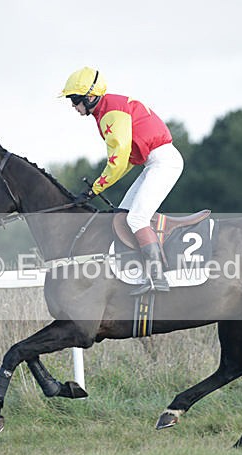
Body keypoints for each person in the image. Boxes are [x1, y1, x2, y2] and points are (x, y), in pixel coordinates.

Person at [60, 67, 184, 295]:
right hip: (153, 162)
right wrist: (97, 188)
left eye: (75, 100)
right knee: (123, 215)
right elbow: (125, 160)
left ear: (90, 97)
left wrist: (93, 190)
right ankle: (135, 271)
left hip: (163, 161)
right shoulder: (107, 109)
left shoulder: (111, 113)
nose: (73, 106)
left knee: (136, 218)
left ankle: (158, 279)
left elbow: (118, 162)